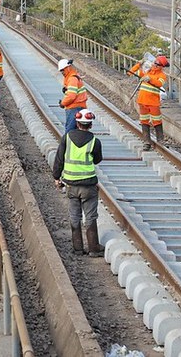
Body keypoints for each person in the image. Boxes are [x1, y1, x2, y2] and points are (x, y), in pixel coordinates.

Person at [52, 109, 104, 257]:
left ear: (77, 123)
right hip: (89, 186)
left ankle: (78, 248)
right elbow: (97, 159)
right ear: (90, 125)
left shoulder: (66, 138)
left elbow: (59, 159)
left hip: (71, 185)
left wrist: (57, 177)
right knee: (90, 216)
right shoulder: (95, 141)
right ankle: (94, 248)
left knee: (75, 216)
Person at [130, 55, 169, 150]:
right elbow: (131, 72)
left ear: (161, 67)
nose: (155, 65)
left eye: (157, 64)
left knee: (157, 121)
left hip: (153, 103)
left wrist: (150, 79)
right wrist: (139, 64)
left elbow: (159, 83)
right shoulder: (146, 71)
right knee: (144, 121)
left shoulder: (162, 76)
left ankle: (160, 140)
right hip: (142, 102)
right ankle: (147, 142)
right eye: (155, 62)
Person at [57, 59, 88, 134]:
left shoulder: (72, 79)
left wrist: (63, 104)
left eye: (63, 70)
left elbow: (71, 96)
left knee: (69, 132)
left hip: (74, 108)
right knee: (78, 132)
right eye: (61, 71)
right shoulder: (74, 77)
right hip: (79, 107)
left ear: (68, 67)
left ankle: (67, 145)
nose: (62, 73)